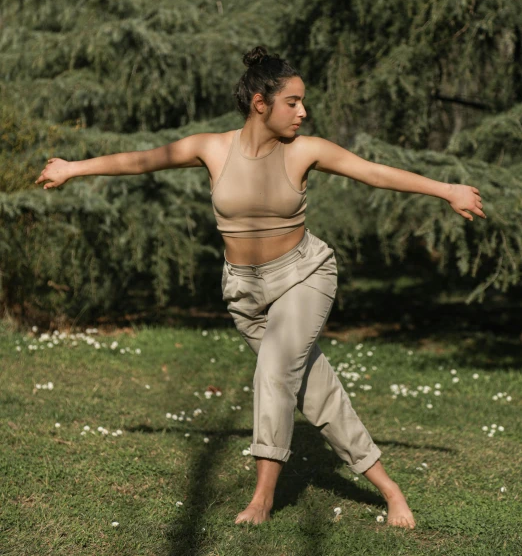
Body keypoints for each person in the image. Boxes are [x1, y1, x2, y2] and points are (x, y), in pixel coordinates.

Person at [35, 45, 486, 529]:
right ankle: (389, 489)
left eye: (302, 102)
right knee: (314, 391)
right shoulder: (212, 149)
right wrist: (72, 168)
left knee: (273, 372)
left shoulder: (305, 151)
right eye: (293, 102)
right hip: (244, 293)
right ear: (259, 104)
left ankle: (262, 498)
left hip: (303, 275)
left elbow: (374, 173)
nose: (303, 111)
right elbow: (144, 160)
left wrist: (447, 190)